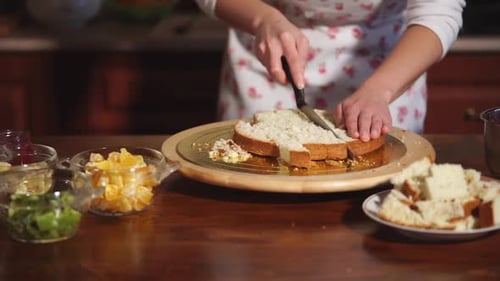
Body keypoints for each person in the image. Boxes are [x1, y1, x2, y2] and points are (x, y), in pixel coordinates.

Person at [195, 0, 465, 141]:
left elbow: (438, 12)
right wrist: (262, 19)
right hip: (267, 63)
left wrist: (379, 91)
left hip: (388, 67)